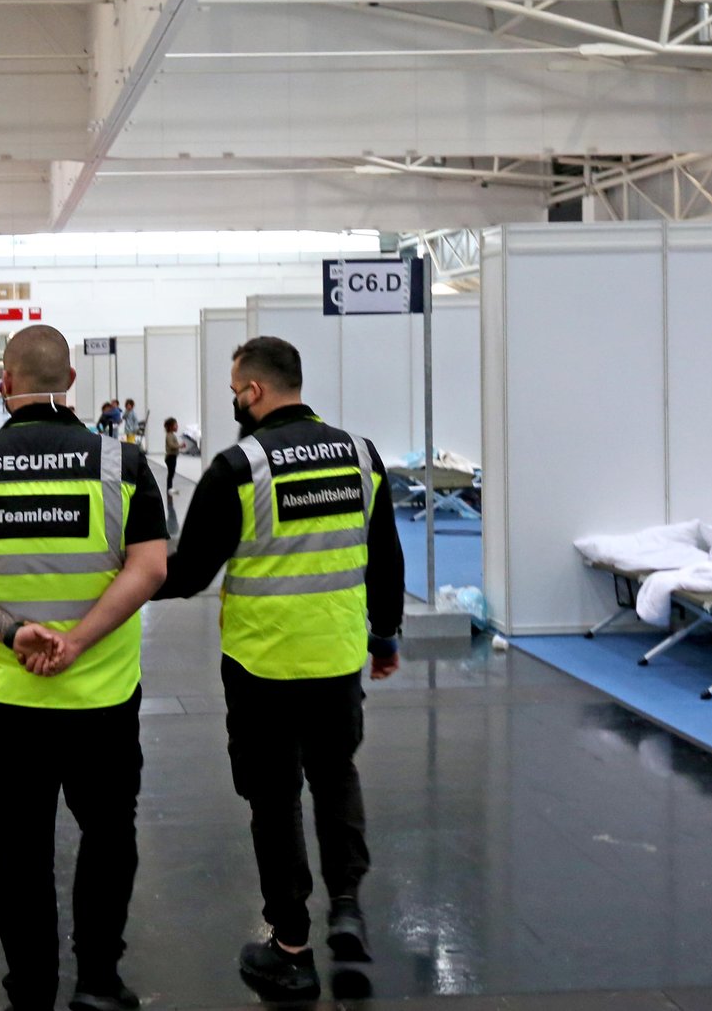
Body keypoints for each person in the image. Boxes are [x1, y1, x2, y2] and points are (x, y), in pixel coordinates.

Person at [0, 324, 168, 1011]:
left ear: (4, 383)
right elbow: (151, 567)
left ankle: (30, 988)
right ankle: (98, 981)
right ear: (72, 383)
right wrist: (79, 640)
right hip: (103, 696)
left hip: (6, 696)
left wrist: (11, 632)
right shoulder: (125, 464)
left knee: (21, 851)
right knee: (110, 835)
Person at [151, 336, 404, 1001]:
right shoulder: (360, 454)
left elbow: (190, 573)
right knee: (336, 776)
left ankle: (291, 944)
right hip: (337, 656)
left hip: (262, 664)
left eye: (237, 390)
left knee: (274, 798)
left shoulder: (239, 467)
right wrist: (385, 637)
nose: (235, 401)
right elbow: (386, 556)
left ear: (255, 391)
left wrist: (120, 584)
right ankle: (346, 904)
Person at [162, 417, 181, 495]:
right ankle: (169, 488)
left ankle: (170, 488)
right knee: (171, 473)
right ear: (170, 427)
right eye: (175, 425)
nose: (177, 427)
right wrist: (179, 446)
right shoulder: (169, 435)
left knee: (171, 472)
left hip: (173, 456)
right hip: (170, 457)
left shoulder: (172, 435)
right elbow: (171, 445)